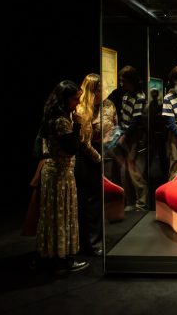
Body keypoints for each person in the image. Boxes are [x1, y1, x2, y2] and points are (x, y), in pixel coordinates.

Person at [35, 80, 89, 273]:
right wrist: (77, 126)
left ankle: (50, 256)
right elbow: (72, 147)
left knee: (52, 218)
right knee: (61, 218)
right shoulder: (61, 120)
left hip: (54, 174)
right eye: (75, 99)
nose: (77, 103)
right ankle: (62, 260)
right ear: (65, 100)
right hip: (60, 176)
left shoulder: (50, 116)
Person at [74, 73, 103, 257]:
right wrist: (99, 158)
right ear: (94, 90)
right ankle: (91, 244)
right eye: (100, 89)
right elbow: (84, 143)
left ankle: (92, 241)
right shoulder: (82, 111)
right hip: (86, 160)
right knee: (90, 203)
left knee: (93, 202)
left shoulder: (94, 107)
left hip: (92, 158)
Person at [115, 65, 148, 212]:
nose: (121, 83)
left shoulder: (139, 97)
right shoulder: (125, 96)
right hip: (124, 135)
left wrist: (124, 136)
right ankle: (131, 201)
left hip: (132, 137)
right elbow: (124, 117)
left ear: (131, 80)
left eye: (124, 80)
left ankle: (142, 202)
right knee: (125, 170)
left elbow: (135, 120)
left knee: (133, 171)